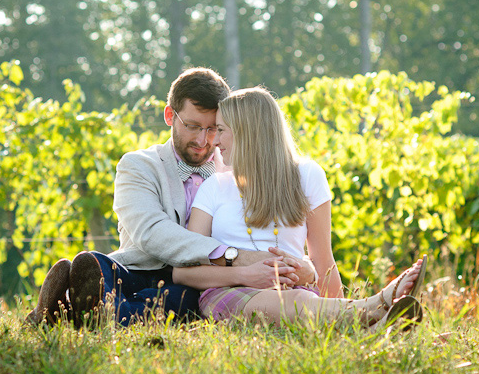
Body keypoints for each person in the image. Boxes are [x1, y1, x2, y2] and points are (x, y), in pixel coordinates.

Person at [26, 68, 314, 327]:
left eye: (213, 128)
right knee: (102, 267)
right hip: (142, 270)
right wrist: (232, 256)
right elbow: (151, 232)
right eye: (192, 126)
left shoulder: (236, 171)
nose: (204, 140)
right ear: (169, 116)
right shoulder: (137, 165)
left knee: (182, 302)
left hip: (199, 282)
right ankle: (87, 291)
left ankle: (68, 308)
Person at [172, 87, 426, 328]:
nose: (215, 140)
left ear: (246, 132)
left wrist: (321, 284)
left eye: (221, 129)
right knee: (299, 303)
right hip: (227, 294)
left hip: (297, 290)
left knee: (306, 305)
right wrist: (247, 275)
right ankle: (374, 305)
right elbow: (184, 272)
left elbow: (322, 259)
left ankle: (371, 328)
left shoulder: (307, 175)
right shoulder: (213, 187)